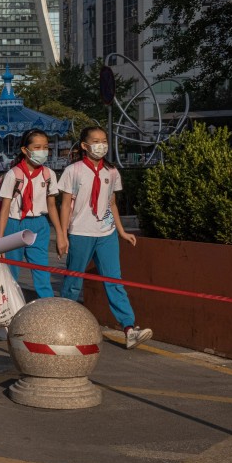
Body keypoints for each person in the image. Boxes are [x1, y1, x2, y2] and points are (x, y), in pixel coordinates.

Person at [58, 126, 153, 349]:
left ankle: (129, 328)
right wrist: (62, 235)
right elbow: (65, 205)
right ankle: (61, 324)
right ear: (84, 145)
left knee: (114, 280)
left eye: (104, 140)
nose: (101, 145)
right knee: (73, 282)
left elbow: (111, 203)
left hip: (106, 233)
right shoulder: (73, 171)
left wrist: (120, 231)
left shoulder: (111, 172)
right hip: (80, 232)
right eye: (96, 141)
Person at [0, 129, 63, 298]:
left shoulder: (49, 174)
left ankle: (48, 310)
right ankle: (11, 311)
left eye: (46, 147)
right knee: (11, 273)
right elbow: (4, 209)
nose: (43, 151)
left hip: (39, 225)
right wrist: (0, 242)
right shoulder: (13, 174)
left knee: (42, 272)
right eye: (37, 147)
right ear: (25, 150)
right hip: (14, 224)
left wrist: (61, 234)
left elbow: (52, 206)